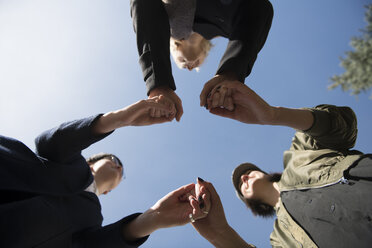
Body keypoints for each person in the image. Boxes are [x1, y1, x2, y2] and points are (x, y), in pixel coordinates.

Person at [0, 96, 209, 248]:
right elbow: (50, 143)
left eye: (122, 172)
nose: (119, 167)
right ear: (92, 163)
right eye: (113, 160)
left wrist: (153, 218)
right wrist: (117, 119)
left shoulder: (93, 219)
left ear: (108, 192)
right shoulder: (72, 162)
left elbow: (89, 245)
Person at [191, 81, 372, 247]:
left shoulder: (300, 155)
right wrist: (219, 234)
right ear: (248, 202)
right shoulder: (281, 238)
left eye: (249, 171)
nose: (245, 177)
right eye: (240, 185)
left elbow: (343, 126)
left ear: (264, 173)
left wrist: (273, 115)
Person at [130, 0, 273, 121]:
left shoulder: (170, 20)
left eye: (182, 64)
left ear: (175, 46)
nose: (190, 67)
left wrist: (159, 83)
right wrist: (231, 73)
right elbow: (258, 7)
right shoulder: (229, 27)